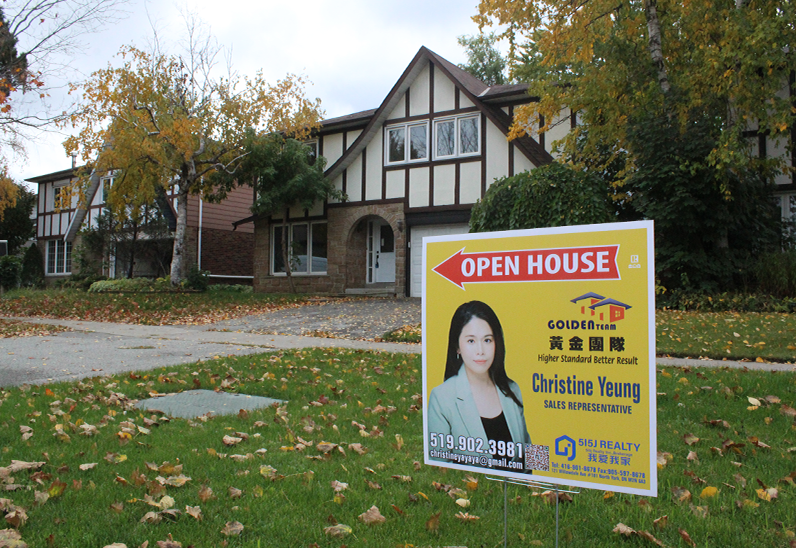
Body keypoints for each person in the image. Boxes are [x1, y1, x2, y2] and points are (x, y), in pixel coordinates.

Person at [427, 301, 530, 468]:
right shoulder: (442, 397)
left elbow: (527, 452)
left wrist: (543, 478)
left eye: (487, 340)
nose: (480, 350)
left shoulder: (512, 389)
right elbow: (439, 466)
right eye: (471, 341)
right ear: (457, 347)